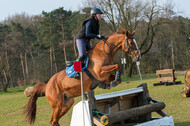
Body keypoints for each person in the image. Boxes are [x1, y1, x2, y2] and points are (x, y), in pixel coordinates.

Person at [73, 8, 105, 79]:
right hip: (81, 39)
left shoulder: (96, 23)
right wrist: (98, 36)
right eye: (99, 14)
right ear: (94, 15)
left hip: (87, 40)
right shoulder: (89, 21)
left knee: (92, 54)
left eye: (100, 15)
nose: (100, 16)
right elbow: (88, 34)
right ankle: (76, 71)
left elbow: (96, 34)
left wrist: (102, 37)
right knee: (82, 55)